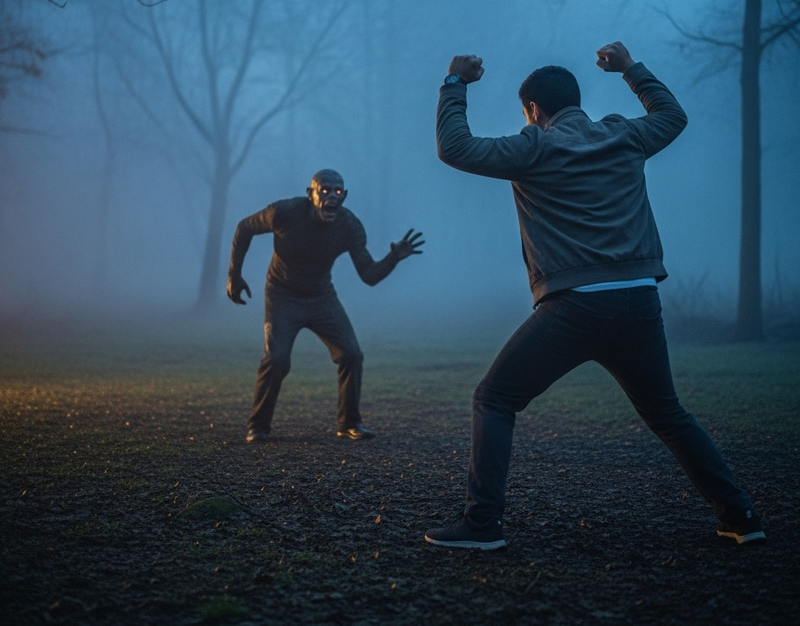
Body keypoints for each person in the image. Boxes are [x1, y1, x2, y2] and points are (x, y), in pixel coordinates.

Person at [424, 42, 765, 550]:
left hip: (575, 305)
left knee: (494, 399)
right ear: (576, 101)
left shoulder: (533, 147)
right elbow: (672, 116)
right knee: (668, 414)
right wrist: (631, 69)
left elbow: (455, 147)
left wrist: (454, 84)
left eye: (528, 113)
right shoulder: (623, 135)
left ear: (534, 110)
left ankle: (481, 525)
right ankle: (741, 516)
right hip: (639, 300)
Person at [227, 168, 424, 443]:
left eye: (338, 191)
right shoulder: (283, 213)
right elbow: (244, 228)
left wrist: (393, 258)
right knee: (277, 359)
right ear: (311, 195)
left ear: (344, 197)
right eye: (325, 190)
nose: (332, 196)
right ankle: (257, 427)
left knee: (351, 355)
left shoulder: (349, 226)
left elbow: (368, 275)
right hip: (282, 295)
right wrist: (234, 275)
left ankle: (349, 423)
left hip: (321, 297)